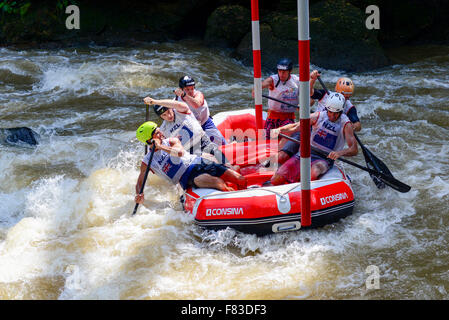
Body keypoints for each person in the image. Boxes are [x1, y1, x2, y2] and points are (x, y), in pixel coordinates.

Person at [134, 122, 246, 205]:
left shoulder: (171, 141)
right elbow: (140, 181)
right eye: (157, 133)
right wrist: (139, 193)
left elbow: (179, 153)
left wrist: (160, 147)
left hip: (200, 162)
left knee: (240, 179)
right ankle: (240, 203)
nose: (161, 134)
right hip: (187, 176)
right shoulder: (147, 161)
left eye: (159, 130)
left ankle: (245, 194)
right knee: (219, 184)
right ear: (149, 140)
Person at [269, 92, 358, 185]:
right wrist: (279, 129)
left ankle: (302, 189)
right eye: (330, 112)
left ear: (341, 111)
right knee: (276, 179)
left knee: (315, 171)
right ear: (327, 109)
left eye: (336, 113)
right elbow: (295, 127)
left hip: (325, 158)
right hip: (306, 153)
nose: (332, 116)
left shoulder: (346, 124)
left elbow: (354, 149)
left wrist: (339, 153)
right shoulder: (318, 116)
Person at [277, 72, 361, 165]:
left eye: (347, 97)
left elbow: (358, 125)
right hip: (310, 128)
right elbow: (309, 93)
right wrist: (312, 80)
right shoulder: (325, 94)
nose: (343, 99)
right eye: (342, 95)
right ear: (336, 90)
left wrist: (351, 127)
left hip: (323, 138)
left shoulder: (349, 107)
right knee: (282, 156)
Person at [143, 96, 229, 165]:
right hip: (190, 152)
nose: (168, 116)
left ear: (171, 108)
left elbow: (177, 104)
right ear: (161, 117)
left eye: (168, 111)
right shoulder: (163, 129)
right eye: (164, 115)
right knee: (208, 160)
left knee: (218, 155)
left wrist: (154, 102)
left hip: (202, 140)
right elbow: (160, 143)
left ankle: (230, 167)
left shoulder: (181, 110)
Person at [252, 58, 300, 140]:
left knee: (286, 140)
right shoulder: (273, 79)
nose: (281, 74)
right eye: (279, 71)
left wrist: (301, 105)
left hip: (288, 118)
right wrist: (256, 90)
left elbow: (309, 98)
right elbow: (262, 85)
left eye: (284, 72)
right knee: (266, 142)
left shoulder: (296, 81)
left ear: (290, 71)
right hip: (273, 117)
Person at [174, 75, 226, 145]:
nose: (190, 91)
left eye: (192, 88)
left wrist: (184, 95)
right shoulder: (176, 100)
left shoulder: (198, 94)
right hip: (191, 128)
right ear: (181, 89)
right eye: (187, 89)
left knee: (222, 143)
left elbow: (196, 104)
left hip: (205, 123)